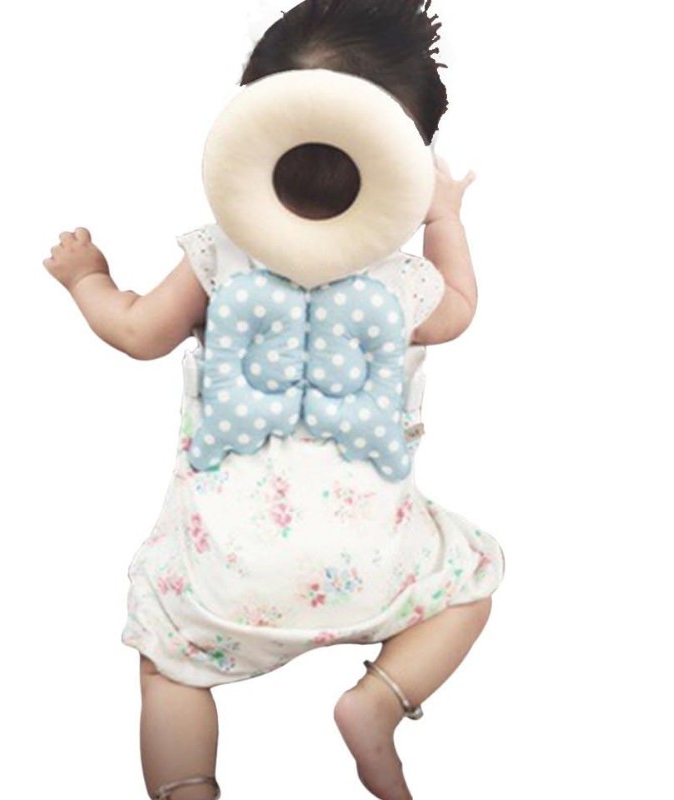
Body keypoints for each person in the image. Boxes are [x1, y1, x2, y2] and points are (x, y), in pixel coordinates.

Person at [43, 2, 504, 798]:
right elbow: (460, 307)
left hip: (221, 579)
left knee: (167, 664)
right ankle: (378, 701)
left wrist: (88, 279)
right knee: (472, 583)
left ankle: (188, 788)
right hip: (374, 565)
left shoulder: (217, 256)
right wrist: (443, 215)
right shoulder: (402, 281)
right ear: (409, 155)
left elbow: (136, 332)